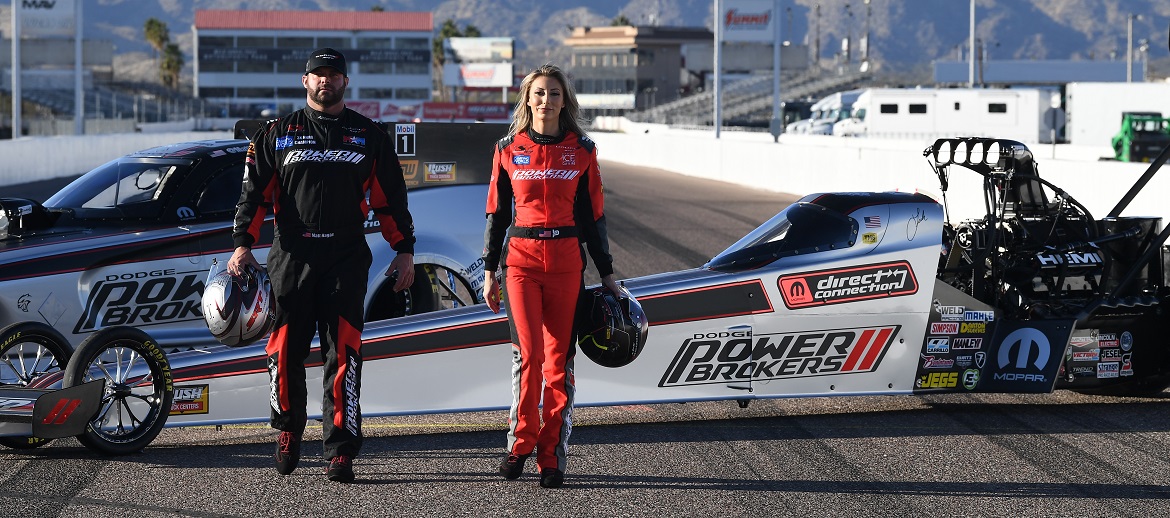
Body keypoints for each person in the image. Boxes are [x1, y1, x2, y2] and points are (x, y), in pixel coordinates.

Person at [228, 48, 416, 483]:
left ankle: (341, 448)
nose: (325, 81)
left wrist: (404, 248)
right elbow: (252, 195)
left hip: (346, 258)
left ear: (345, 82)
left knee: (344, 354)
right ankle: (288, 430)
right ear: (304, 80)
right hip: (291, 258)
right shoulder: (276, 133)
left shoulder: (369, 135)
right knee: (283, 351)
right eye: (318, 75)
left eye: (333, 75)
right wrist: (242, 245)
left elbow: (392, 201)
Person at [482, 64, 620, 489]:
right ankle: (519, 443)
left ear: (565, 101)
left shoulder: (583, 149)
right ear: (528, 98)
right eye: (539, 93)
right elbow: (496, 213)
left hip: (565, 264)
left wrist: (608, 273)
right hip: (520, 263)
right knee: (529, 358)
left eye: (554, 94)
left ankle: (550, 456)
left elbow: (594, 216)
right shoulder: (508, 148)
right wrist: (490, 270)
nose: (546, 100)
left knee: (558, 363)